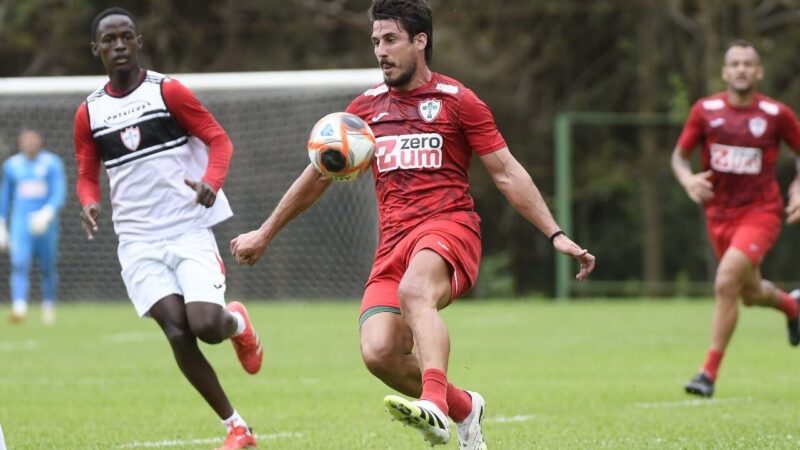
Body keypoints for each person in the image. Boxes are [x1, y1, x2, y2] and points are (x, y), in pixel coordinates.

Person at [231, 0, 595, 447]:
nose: (380, 51)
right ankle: (464, 408)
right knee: (379, 352)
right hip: (393, 245)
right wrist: (264, 233)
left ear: (420, 41)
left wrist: (555, 233)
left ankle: (435, 407)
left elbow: (506, 171)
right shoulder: (364, 109)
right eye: (375, 42)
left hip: (449, 228)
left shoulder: (458, 102)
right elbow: (317, 175)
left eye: (390, 39)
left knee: (414, 291)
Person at [73, 8, 261, 450]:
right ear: (96, 49)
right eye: (108, 40)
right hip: (137, 242)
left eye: (125, 37)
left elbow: (219, 140)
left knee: (205, 326)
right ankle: (237, 428)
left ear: (138, 41)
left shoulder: (168, 92)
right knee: (176, 331)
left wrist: (212, 183)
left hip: (188, 231)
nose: (118, 46)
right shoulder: (89, 113)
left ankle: (236, 324)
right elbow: (86, 173)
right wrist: (89, 202)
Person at [672, 40, 800, 398]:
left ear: (759, 72)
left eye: (749, 63)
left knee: (726, 280)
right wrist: (687, 179)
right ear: (725, 71)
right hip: (718, 215)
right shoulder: (705, 110)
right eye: (735, 63)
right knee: (749, 293)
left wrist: (798, 190)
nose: (742, 69)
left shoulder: (776, 115)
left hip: (761, 212)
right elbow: (679, 158)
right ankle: (792, 305)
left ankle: (707, 374)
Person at [0, 128, 66, 324]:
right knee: (19, 263)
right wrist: (1, 224)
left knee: (47, 266)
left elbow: (59, 192)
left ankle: (48, 307)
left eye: (33, 140)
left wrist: (47, 214)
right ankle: (19, 308)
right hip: (21, 224)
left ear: (39, 141)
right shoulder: (12, 166)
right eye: (26, 140)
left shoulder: (51, 163)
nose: (30, 144)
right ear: (20, 143)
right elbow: (5, 196)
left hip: (46, 224)